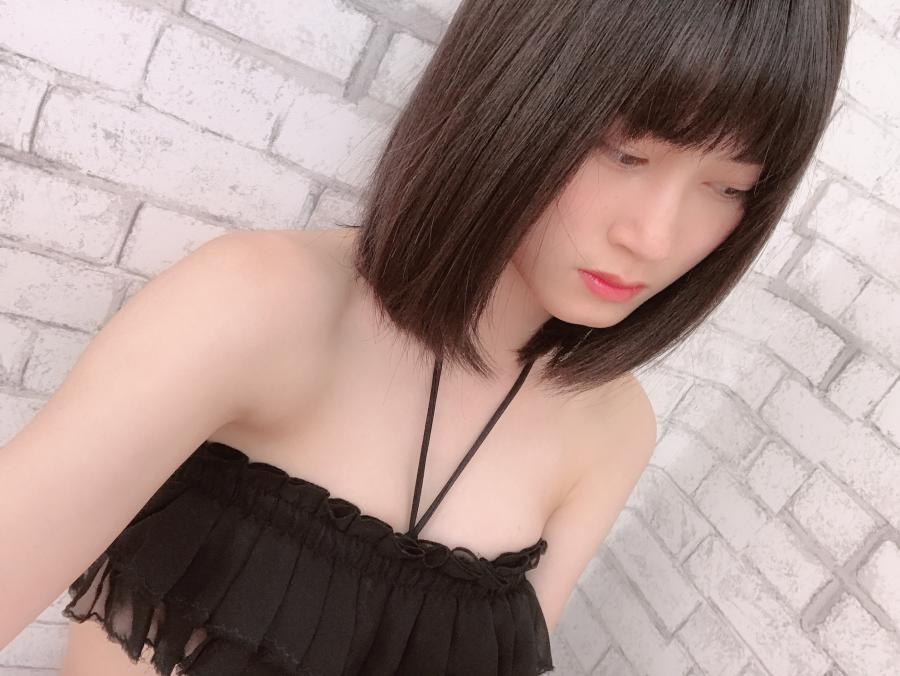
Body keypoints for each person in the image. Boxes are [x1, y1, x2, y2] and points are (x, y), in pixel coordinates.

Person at [0, 1, 850, 674]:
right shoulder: (256, 306)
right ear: (512, 90)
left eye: (729, 186)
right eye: (623, 152)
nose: (656, 239)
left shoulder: (611, 427)